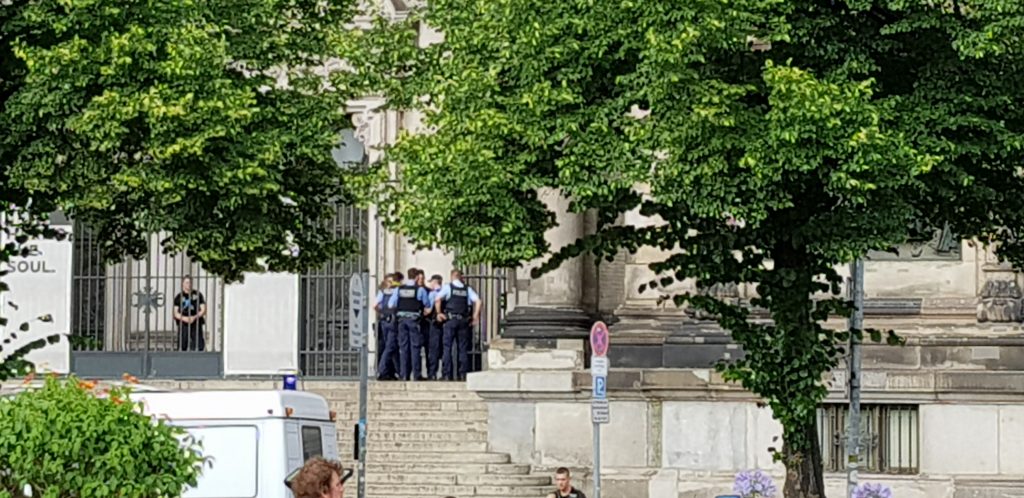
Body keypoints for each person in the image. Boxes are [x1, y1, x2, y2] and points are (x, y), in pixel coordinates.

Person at [434, 269, 482, 381]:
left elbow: (437, 299)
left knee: (447, 347)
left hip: (450, 320)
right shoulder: (467, 289)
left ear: (452, 276)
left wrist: (439, 313)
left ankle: (447, 374)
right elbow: (478, 301)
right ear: (460, 277)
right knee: (462, 348)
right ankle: (463, 374)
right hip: (463, 321)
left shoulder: (448, 287)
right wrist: (475, 316)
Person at [387, 268, 432, 381]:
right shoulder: (420, 290)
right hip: (414, 321)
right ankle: (416, 374)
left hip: (402, 321)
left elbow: (391, 304)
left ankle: (404, 374)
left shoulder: (399, 289)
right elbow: (427, 304)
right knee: (415, 347)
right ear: (416, 277)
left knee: (403, 348)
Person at [374, 273, 399, 380]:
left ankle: (392, 371)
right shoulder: (396, 291)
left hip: (384, 320)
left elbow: (375, 305)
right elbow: (392, 305)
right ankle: (382, 369)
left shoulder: (382, 292)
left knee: (389, 347)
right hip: (392, 320)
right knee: (390, 346)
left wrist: (381, 312)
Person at [173, 275, 207, 352]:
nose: (189, 284)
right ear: (183, 283)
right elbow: (175, 313)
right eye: (187, 282)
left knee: (198, 344)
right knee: (182, 344)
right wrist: (184, 318)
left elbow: (203, 309)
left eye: (190, 282)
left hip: (196, 321)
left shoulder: (198, 294)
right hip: (183, 323)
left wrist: (194, 317)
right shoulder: (178, 297)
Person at [425, 274, 445, 380]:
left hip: (435, 323)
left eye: (431, 282)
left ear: (434, 282)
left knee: (433, 349)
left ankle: (432, 373)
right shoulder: (446, 291)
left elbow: (428, 309)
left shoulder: (433, 294)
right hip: (446, 323)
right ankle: (446, 373)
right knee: (446, 348)